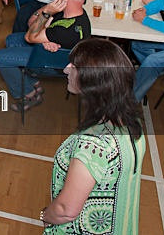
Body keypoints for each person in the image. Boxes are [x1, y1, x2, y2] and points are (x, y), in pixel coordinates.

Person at [40, 39, 145, 233]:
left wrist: (45, 216)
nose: (66, 70)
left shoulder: (92, 144)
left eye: (74, 66)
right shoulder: (131, 124)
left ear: (95, 80)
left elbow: (66, 210)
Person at [0, 0, 90, 111]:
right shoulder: (72, 12)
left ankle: (29, 94)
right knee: (12, 40)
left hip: (53, 61)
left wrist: (46, 13)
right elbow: (31, 21)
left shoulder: (66, 30)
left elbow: (29, 37)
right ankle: (32, 82)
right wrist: (44, 38)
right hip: (48, 48)